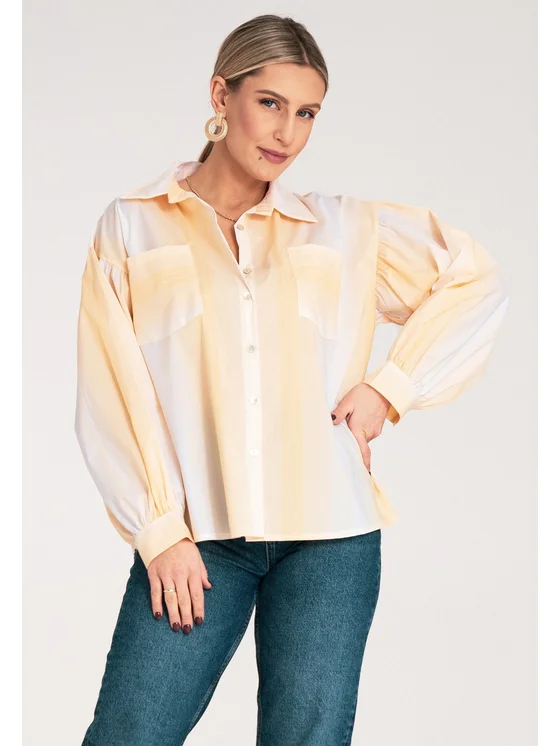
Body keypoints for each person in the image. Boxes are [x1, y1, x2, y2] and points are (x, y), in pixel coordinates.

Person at [74, 13, 509, 746]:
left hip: (331, 539)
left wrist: (389, 390)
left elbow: (474, 279)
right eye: (270, 103)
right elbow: (109, 387)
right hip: (198, 537)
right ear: (222, 95)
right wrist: (159, 530)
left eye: (307, 113)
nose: (287, 132)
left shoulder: (344, 229)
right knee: (130, 732)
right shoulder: (132, 226)